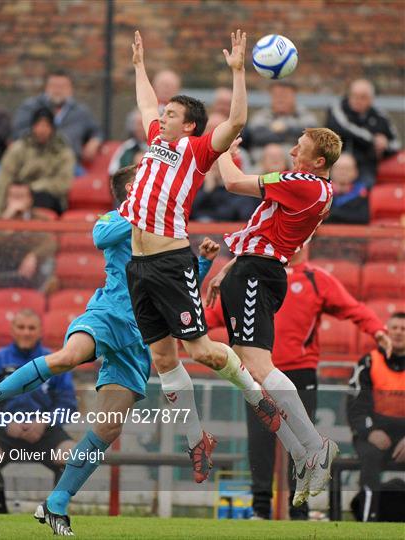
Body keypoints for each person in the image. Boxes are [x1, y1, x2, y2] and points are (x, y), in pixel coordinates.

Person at [0, 165, 220, 535]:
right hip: (108, 313)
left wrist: (203, 262)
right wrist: (140, 208)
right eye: (147, 178)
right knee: (67, 357)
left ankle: (56, 504)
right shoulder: (113, 219)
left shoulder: (167, 229)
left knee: (108, 428)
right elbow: (100, 237)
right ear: (132, 188)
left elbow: (177, 285)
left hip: (140, 338)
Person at [118, 29, 303, 494]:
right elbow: (145, 105)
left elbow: (236, 123)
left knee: (199, 350)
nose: (161, 117)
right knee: (163, 360)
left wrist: (239, 73)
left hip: (169, 262)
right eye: (164, 112)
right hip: (138, 266)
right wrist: (139, 66)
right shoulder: (156, 137)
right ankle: (195, 437)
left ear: (189, 127)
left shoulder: (198, 151)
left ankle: (259, 398)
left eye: (172, 114)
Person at [207, 126, 344, 508]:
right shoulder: (319, 190)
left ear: (318, 161)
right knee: (247, 371)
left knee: (256, 364)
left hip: (258, 273)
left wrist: (219, 147)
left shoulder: (302, 183)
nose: (292, 149)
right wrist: (229, 268)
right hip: (252, 268)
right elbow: (268, 229)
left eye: (300, 147)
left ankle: (316, 447)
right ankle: (301, 455)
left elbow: (232, 183)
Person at [206, 247, 392, 519]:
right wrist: (179, 334)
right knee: (260, 442)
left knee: (301, 439)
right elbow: (213, 316)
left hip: (300, 372)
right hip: (258, 374)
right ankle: (260, 509)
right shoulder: (252, 279)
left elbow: (353, 308)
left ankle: (300, 511)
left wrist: (378, 330)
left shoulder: (317, 279)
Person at [0, 309, 76, 514]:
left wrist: (45, 421)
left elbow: (69, 404)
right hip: (5, 432)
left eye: (31, 328)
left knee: (72, 454)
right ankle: (1, 514)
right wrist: (5, 423)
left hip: (45, 430)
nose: (26, 332)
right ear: (12, 330)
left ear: (40, 331)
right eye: (21, 327)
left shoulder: (54, 360)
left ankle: (54, 512)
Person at [347, 312, 405, 522]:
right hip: (374, 433)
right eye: (394, 328)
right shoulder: (369, 362)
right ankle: (367, 519)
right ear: (387, 332)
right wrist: (370, 431)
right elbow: (355, 405)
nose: (398, 333)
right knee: (370, 457)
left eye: (403, 329)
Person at [0, 182, 57, 292]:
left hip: (30, 270)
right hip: (1, 266)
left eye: (21, 196)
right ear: (6, 199)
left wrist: (34, 256)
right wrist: (4, 223)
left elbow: (51, 243)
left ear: (30, 200)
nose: (17, 201)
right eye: (13, 196)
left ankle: (41, 299)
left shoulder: (40, 218)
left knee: (48, 262)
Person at [12, 69, 102, 170]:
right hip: (35, 164)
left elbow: (97, 131)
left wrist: (95, 141)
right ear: (46, 88)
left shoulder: (81, 112)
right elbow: (18, 133)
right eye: (54, 86)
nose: (58, 90)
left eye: (63, 86)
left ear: (70, 89)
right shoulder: (30, 107)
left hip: (70, 165)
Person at [326, 79, 401, 187]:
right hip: (338, 163)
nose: (358, 100)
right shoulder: (338, 109)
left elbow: (395, 143)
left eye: (363, 97)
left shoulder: (380, 116)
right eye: (354, 95)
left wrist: (384, 145)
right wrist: (373, 140)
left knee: (367, 185)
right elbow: (345, 128)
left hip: (365, 166)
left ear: (371, 99)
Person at [0, 107, 75, 214]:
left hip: (48, 197)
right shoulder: (18, 148)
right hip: (17, 194)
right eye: (38, 125)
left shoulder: (63, 152)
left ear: (52, 128)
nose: (42, 130)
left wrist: (32, 188)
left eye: (46, 126)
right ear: (32, 127)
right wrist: (15, 192)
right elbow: (5, 177)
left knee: (42, 199)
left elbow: (63, 183)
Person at [244, 81, 317, 165]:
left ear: (294, 96)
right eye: (276, 95)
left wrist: (284, 128)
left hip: (297, 162)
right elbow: (257, 136)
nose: (280, 99)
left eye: (285, 95)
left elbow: (311, 135)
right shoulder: (261, 114)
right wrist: (291, 134)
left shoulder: (305, 114)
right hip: (262, 164)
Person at [191, 160, 259, 222]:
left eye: (217, 164)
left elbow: (236, 213)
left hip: (225, 231)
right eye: (211, 164)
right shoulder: (199, 186)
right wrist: (206, 190)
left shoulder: (239, 190)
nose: (213, 168)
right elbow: (187, 210)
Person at [326, 153, 370, 224]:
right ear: (331, 171)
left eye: (347, 169)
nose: (343, 172)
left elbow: (362, 217)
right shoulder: (322, 192)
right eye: (338, 168)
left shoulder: (362, 193)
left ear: (356, 172)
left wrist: (331, 214)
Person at [108, 108, 147, 176]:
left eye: (143, 124)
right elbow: (113, 171)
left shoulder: (158, 146)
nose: (141, 128)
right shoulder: (127, 147)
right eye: (138, 124)